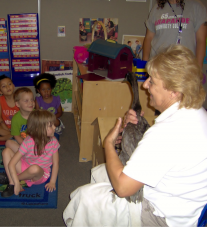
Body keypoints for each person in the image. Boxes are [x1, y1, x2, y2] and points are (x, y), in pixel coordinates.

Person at [63, 45, 207, 227]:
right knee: (99, 172)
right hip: (187, 208)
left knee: (86, 197)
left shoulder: (165, 134)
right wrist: (140, 130)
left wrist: (108, 144)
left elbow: (123, 189)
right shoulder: (197, 113)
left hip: (163, 217)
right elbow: (168, 153)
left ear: (174, 91)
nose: (145, 85)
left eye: (152, 81)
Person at [0, 109, 60, 198]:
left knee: (34, 169)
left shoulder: (53, 141)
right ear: (38, 129)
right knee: (6, 151)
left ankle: (14, 177)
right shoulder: (28, 141)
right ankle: (12, 183)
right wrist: (16, 182)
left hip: (40, 173)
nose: (54, 127)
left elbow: (56, 163)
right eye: (51, 126)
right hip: (25, 165)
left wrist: (52, 182)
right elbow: (12, 163)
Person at [142, 0, 207, 68]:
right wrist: (145, 65)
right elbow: (148, 38)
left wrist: (198, 69)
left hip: (185, 68)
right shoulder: (157, 8)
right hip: (158, 67)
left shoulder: (196, 6)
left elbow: (201, 40)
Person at [0, 75, 19, 142]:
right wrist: (6, 128)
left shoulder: (19, 98)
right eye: (4, 86)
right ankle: (15, 136)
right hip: (6, 127)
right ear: (0, 91)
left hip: (19, 128)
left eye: (9, 84)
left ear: (13, 86)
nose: (8, 87)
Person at [5, 87, 35, 153]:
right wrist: (24, 145)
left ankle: (27, 154)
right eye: (26, 101)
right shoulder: (15, 119)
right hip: (22, 141)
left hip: (36, 140)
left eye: (32, 99)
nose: (31, 103)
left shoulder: (37, 115)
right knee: (8, 143)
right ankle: (28, 154)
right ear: (18, 104)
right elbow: (16, 135)